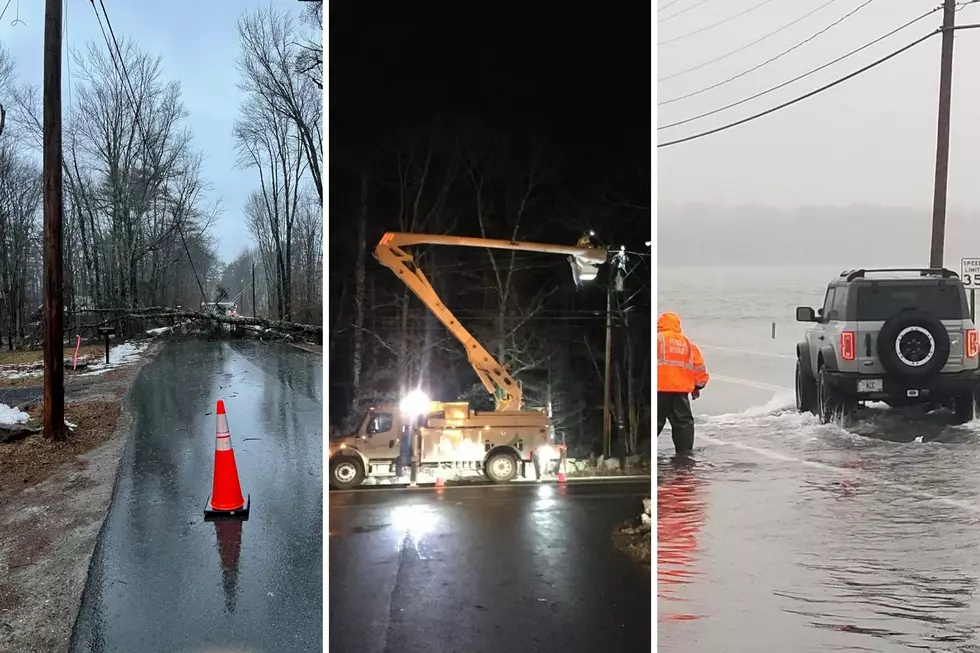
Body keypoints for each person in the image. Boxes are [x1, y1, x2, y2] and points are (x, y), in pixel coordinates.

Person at [657, 312, 709, 455]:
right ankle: (684, 455)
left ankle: (644, 457)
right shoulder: (687, 343)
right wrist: (697, 386)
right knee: (683, 424)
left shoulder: (656, 339)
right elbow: (699, 367)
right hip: (680, 392)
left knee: (653, 423)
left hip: (658, 390)